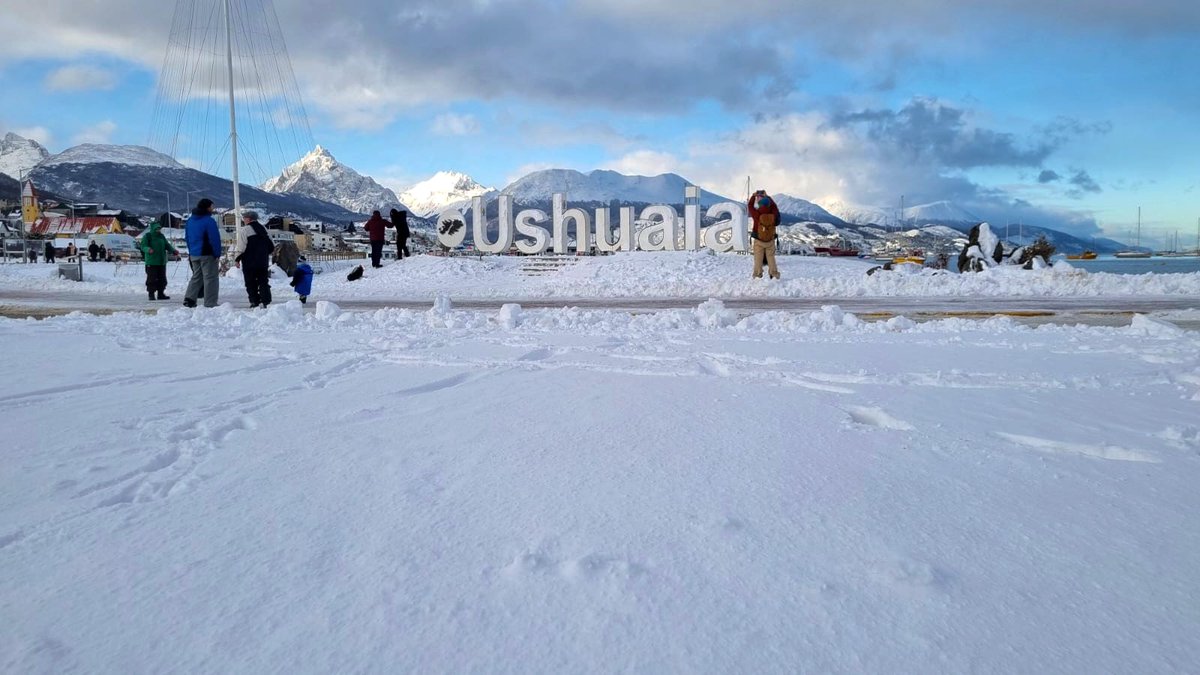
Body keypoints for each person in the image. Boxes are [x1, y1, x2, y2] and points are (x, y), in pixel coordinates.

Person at [183, 198, 222, 308]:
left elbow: (187, 237)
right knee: (210, 278)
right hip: (207, 254)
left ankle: (189, 299)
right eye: (212, 206)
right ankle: (210, 302)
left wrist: (191, 252)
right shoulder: (209, 221)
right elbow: (214, 239)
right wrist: (217, 253)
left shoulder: (190, 220)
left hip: (194, 253)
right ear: (207, 207)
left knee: (197, 276)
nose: (213, 208)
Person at [234, 210, 273, 308]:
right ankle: (266, 300)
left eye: (244, 218)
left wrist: (237, 259)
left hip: (249, 261)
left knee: (250, 282)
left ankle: (254, 301)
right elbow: (271, 246)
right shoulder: (264, 229)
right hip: (263, 261)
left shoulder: (245, 230)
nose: (243, 219)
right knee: (263, 281)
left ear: (248, 219)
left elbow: (241, 247)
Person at [139, 220, 178, 301]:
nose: (158, 230)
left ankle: (161, 293)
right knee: (152, 279)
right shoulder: (147, 236)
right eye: (157, 229)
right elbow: (143, 246)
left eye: (159, 229)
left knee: (162, 278)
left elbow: (167, 245)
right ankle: (151, 294)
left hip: (161, 261)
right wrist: (148, 249)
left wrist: (173, 251)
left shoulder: (161, 236)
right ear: (153, 229)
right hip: (152, 261)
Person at [748, 190, 781, 280]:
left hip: (759, 240)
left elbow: (750, 206)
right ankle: (774, 274)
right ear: (768, 204)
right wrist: (768, 197)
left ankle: (758, 275)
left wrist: (753, 196)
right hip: (770, 240)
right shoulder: (773, 214)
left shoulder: (757, 213)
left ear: (760, 204)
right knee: (771, 258)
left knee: (758, 259)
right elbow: (775, 207)